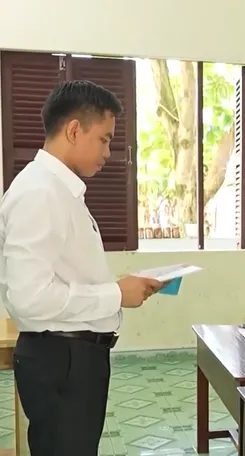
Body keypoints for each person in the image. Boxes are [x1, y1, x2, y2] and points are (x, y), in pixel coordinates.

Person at [0, 80, 164, 455]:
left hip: (72, 357)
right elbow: (30, 298)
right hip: (62, 359)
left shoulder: (58, 190)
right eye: (104, 139)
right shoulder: (40, 193)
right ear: (74, 130)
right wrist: (115, 294)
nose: (109, 152)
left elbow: (63, 276)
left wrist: (118, 290)